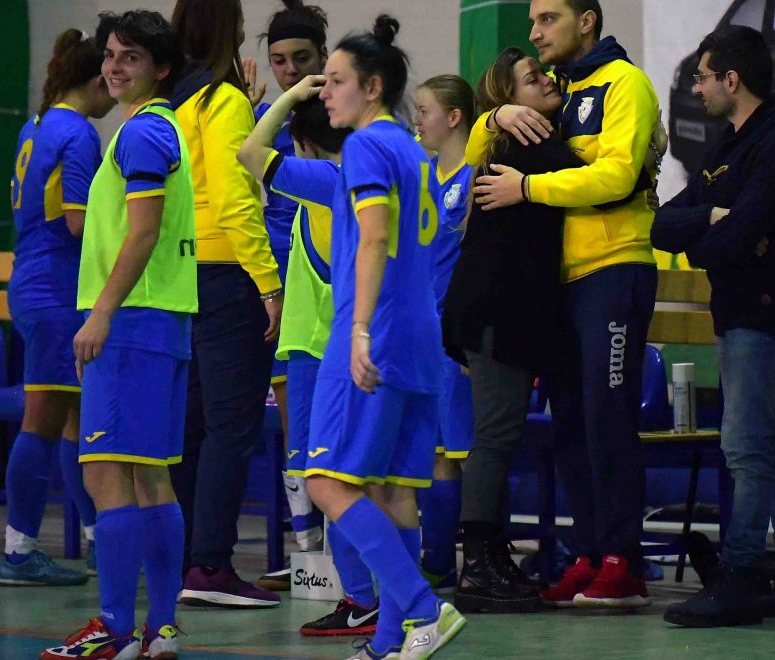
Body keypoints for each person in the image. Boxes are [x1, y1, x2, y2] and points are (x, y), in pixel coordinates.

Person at [467, 0, 660, 608]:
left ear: (588, 20)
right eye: (533, 21)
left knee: (607, 414)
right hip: (561, 282)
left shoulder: (624, 83)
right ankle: (587, 553)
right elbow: (473, 152)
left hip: (614, 267)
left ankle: (622, 561)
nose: (535, 32)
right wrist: (496, 112)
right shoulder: (558, 90)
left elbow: (617, 176)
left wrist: (528, 187)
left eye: (548, 18)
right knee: (570, 419)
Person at [652, 25, 775, 628]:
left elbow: (735, 237)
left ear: (732, 80)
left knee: (744, 443)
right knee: (761, 438)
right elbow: (663, 225)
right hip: (734, 306)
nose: (697, 87)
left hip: (764, 305)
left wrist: (710, 239)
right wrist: (711, 219)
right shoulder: (724, 150)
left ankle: (741, 571)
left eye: (703, 76)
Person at [305, 15, 466, 659]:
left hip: (378, 333)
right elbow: (254, 160)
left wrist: (360, 329)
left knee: (326, 482)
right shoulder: (413, 151)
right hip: (422, 337)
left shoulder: (366, 148)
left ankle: (426, 609)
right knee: (394, 492)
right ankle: (387, 641)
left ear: (372, 87)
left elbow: (373, 238)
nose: (324, 91)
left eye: (335, 80)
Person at [40, 11, 192, 659]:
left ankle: (114, 627)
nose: (113, 66)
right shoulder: (153, 128)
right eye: (109, 55)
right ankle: (161, 630)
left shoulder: (142, 134)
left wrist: (100, 313)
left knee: (105, 474)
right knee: (149, 478)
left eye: (130, 57)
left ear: (161, 68)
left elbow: (144, 231)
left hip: (131, 323)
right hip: (158, 321)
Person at [442, 46, 588, 614]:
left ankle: (492, 556)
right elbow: (599, 179)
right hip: (494, 316)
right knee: (495, 437)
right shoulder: (529, 147)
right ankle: (477, 566)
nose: (547, 80)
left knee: (496, 437)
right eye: (532, 79)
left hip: (495, 315)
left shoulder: (512, 145)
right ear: (511, 101)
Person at [239, 79, 384, 640]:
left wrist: (288, 96)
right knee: (336, 475)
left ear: (303, 144)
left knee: (332, 477)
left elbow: (250, 151)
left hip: (332, 350)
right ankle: (366, 591)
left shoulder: (328, 181)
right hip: (325, 347)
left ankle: (370, 596)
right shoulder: (360, 182)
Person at [168, 0, 285, 609]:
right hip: (226, 274)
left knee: (191, 427)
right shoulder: (222, 99)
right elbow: (236, 199)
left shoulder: (167, 101)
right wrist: (268, 282)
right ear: (229, 29)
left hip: (178, 277)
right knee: (230, 427)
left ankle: (187, 558)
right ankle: (210, 566)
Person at [0, 24, 115, 588]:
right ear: (95, 81)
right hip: (56, 290)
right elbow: (77, 221)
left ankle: (96, 541)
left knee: (74, 418)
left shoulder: (38, 123)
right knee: (43, 420)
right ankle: (18, 551)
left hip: (32, 280)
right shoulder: (80, 133)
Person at [248, 0, 331, 592]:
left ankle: (343, 558)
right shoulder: (264, 118)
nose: (289, 70)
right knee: (293, 420)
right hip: (282, 280)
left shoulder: (345, 110)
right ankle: (310, 560)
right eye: (279, 60)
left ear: (324, 56)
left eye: (301, 57)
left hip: (335, 276)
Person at [411, 74, 475, 594]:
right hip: (423, 336)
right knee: (436, 451)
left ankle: (481, 558)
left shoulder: (477, 176)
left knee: (468, 451)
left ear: (454, 117)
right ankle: (437, 562)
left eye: (424, 111)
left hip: (462, 336)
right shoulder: (421, 176)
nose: (417, 121)